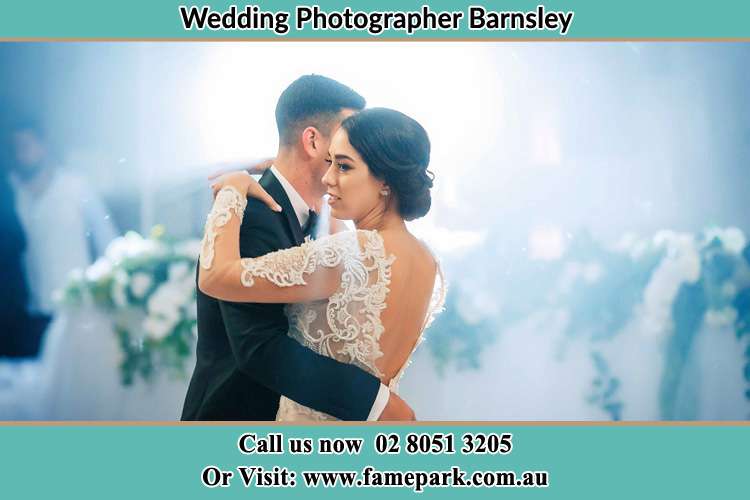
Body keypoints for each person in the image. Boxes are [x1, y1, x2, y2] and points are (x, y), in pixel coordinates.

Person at [182, 76, 419, 421]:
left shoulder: (316, 215)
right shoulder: (253, 215)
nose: (360, 147)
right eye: (349, 135)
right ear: (312, 141)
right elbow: (259, 347)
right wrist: (375, 404)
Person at [8, 117, 117, 316]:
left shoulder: (76, 186)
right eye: (16, 147)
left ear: (43, 145)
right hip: (34, 310)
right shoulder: (13, 194)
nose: (21, 153)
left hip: (78, 307)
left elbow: (108, 241)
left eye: (26, 145)